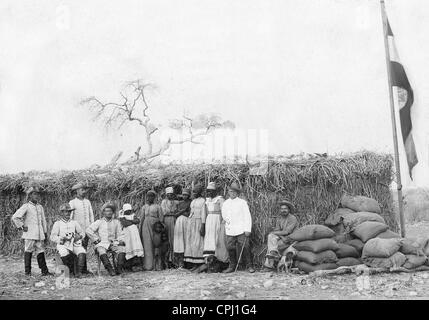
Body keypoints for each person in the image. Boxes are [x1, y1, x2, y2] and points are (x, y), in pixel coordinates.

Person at [11, 186, 53, 276]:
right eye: (34, 194)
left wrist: (45, 232)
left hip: (39, 234)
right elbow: (15, 217)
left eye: (37, 194)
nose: (36, 196)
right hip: (30, 233)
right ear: (29, 196)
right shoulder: (26, 206)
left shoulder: (40, 207)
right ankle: (27, 272)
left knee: (41, 251)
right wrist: (22, 226)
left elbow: (43, 221)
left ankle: (44, 271)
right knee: (28, 251)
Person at [221, 182, 255, 273]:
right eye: (230, 191)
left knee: (245, 246)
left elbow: (247, 216)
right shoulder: (226, 203)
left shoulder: (242, 203)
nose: (232, 193)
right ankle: (232, 266)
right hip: (230, 229)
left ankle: (249, 265)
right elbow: (224, 215)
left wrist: (247, 229)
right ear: (228, 192)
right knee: (230, 247)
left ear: (237, 193)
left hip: (241, 229)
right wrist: (228, 221)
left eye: (234, 192)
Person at [86, 203, 125, 276]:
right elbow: (88, 230)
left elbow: (120, 234)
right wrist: (96, 239)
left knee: (122, 249)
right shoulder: (99, 222)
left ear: (112, 212)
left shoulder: (116, 222)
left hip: (113, 243)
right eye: (106, 211)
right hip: (102, 243)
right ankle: (110, 270)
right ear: (103, 212)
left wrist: (120, 240)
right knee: (101, 250)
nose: (109, 213)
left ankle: (119, 269)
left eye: (110, 211)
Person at [50, 203, 88, 277]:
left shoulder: (74, 222)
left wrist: (79, 237)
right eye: (66, 212)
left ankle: (78, 273)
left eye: (69, 211)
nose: (68, 213)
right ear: (62, 213)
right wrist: (61, 239)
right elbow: (52, 236)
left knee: (82, 252)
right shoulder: (58, 223)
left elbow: (82, 232)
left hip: (74, 243)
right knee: (64, 253)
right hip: (63, 244)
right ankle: (70, 271)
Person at [263, 199, 298, 271]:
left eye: (285, 208)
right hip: (283, 239)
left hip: (290, 240)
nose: (283, 210)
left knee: (271, 241)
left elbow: (287, 232)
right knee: (271, 237)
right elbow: (277, 230)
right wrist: (279, 236)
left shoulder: (292, 218)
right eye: (282, 209)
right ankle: (274, 253)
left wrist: (274, 233)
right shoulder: (280, 218)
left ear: (289, 209)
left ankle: (269, 266)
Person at [69, 182, 94, 275]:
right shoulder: (72, 202)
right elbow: (70, 217)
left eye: (84, 190)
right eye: (81, 190)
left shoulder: (87, 202)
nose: (83, 192)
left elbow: (91, 215)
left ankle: (83, 269)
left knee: (84, 248)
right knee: (77, 248)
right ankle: (76, 270)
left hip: (87, 229)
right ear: (76, 191)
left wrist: (91, 227)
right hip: (77, 231)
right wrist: (72, 230)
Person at [203, 182, 228, 267]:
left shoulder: (220, 199)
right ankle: (208, 258)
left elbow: (223, 212)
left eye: (211, 191)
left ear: (215, 191)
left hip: (217, 219)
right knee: (209, 237)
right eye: (208, 191)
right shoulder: (207, 200)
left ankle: (216, 258)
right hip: (209, 220)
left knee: (216, 237)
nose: (209, 193)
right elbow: (205, 212)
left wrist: (222, 222)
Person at [139, 190, 163, 271]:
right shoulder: (144, 207)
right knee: (147, 244)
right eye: (148, 196)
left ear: (154, 197)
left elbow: (161, 219)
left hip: (155, 226)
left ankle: (157, 266)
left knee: (156, 244)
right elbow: (141, 219)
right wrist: (140, 229)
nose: (149, 198)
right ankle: (148, 265)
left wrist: (160, 229)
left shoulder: (158, 207)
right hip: (145, 226)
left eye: (151, 196)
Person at [184, 184, 206, 270]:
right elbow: (191, 213)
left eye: (195, 192)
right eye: (193, 192)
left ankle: (200, 263)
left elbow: (203, 214)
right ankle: (194, 263)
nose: (193, 193)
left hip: (199, 222)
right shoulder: (193, 201)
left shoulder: (203, 201)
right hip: (192, 222)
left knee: (198, 242)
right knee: (192, 243)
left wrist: (203, 225)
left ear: (199, 192)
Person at [118, 203, 144, 271]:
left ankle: (137, 265)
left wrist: (130, 221)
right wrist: (132, 222)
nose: (128, 212)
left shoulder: (133, 215)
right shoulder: (122, 216)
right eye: (127, 210)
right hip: (127, 234)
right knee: (129, 247)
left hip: (135, 235)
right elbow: (125, 224)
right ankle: (128, 266)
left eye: (129, 210)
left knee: (136, 246)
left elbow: (137, 221)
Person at [173, 188, 191, 268]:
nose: (184, 196)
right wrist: (182, 211)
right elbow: (175, 214)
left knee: (186, 239)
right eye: (183, 195)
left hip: (186, 222)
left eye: (186, 195)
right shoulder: (179, 203)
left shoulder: (191, 203)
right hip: (179, 222)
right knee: (179, 240)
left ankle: (187, 261)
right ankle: (180, 261)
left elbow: (189, 214)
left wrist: (182, 212)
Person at [160, 187, 178, 267]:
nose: (170, 196)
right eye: (168, 194)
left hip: (174, 221)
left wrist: (173, 214)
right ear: (166, 195)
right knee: (167, 240)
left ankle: (174, 260)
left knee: (174, 239)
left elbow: (177, 211)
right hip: (166, 221)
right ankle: (166, 260)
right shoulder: (164, 202)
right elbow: (164, 212)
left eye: (171, 194)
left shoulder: (176, 202)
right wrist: (173, 213)